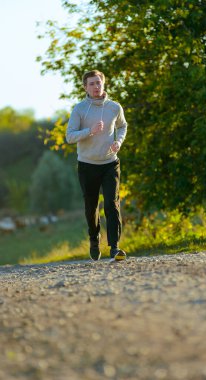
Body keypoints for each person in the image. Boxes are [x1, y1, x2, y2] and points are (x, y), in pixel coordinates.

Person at [66, 69, 127, 261]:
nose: (95, 87)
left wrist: (119, 142)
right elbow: (70, 137)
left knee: (112, 204)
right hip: (87, 165)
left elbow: (122, 126)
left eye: (98, 83)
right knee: (91, 206)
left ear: (103, 84)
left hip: (110, 163)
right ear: (85, 87)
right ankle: (94, 239)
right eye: (91, 84)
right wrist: (89, 131)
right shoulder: (80, 109)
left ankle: (115, 248)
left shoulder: (114, 107)